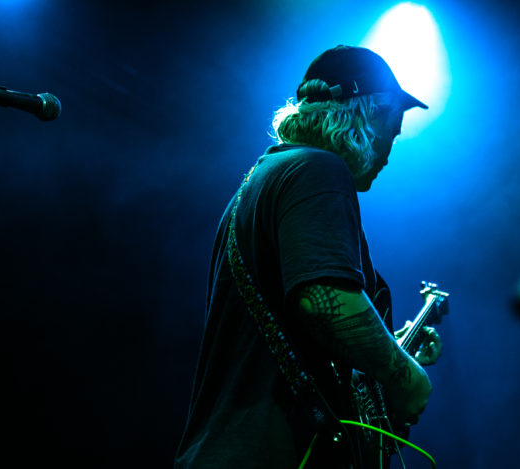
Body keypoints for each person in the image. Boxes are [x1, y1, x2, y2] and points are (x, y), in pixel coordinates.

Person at [175, 45, 442, 469]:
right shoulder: (319, 169)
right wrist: (406, 376)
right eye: (392, 131)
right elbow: (322, 301)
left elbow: (309, 345)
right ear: (368, 114)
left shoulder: (269, 178)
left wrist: (385, 361)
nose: (390, 151)